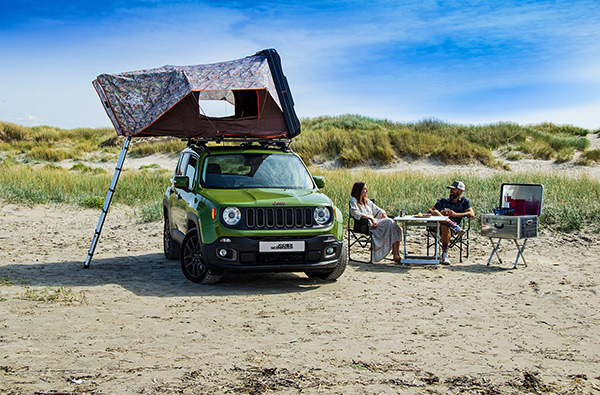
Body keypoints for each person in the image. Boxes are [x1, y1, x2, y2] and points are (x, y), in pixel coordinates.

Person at [349, 182, 402, 263]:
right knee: (391, 224)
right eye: (364, 189)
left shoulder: (367, 201)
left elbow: (378, 210)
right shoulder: (353, 200)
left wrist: (383, 215)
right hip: (364, 225)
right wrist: (371, 218)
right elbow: (355, 213)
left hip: (375, 224)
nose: (366, 191)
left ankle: (396, 253)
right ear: (359, 190)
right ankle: (396, 255)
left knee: (396, 227)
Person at [427, 180, 475, 265]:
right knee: (435, 212)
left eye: (453, 190)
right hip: (438, 226)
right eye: (451, 190)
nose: (451, 192)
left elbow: (471, 214)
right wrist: (441, 214)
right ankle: (455, 227)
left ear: (460, 191)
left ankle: (444, 255)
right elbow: (430, 211)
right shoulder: (443, 200)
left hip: (450, 228)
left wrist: (455, 214)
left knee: (445, 226)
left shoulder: (464, 201)